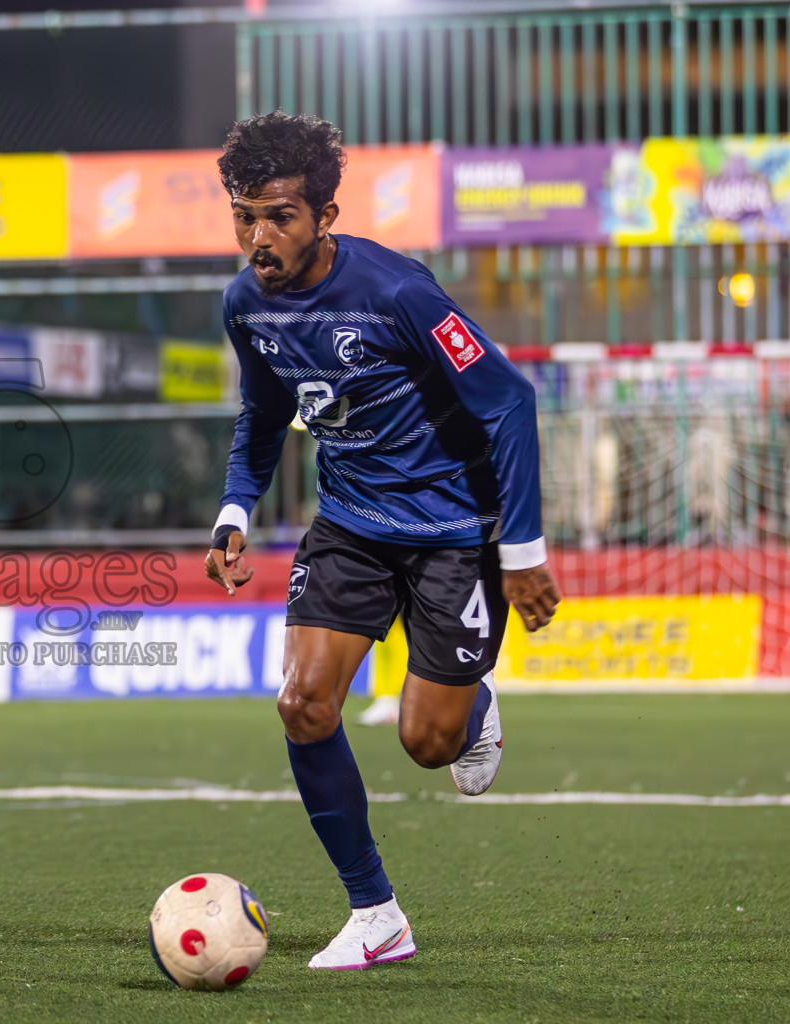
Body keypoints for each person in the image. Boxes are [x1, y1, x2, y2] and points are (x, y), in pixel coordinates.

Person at [203, 112, 560, 971]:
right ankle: (376, 914)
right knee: (302, 703)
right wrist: (235, 511)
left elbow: (509, 400)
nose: (259, 236)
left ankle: (470, 704)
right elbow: (263, 413)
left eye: (280, 216)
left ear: (325, 217)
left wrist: (521, 553)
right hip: (352, 526)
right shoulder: (244, 302)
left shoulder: (400, 292)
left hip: (452, 533)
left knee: (427, 744)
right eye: (245, 214)